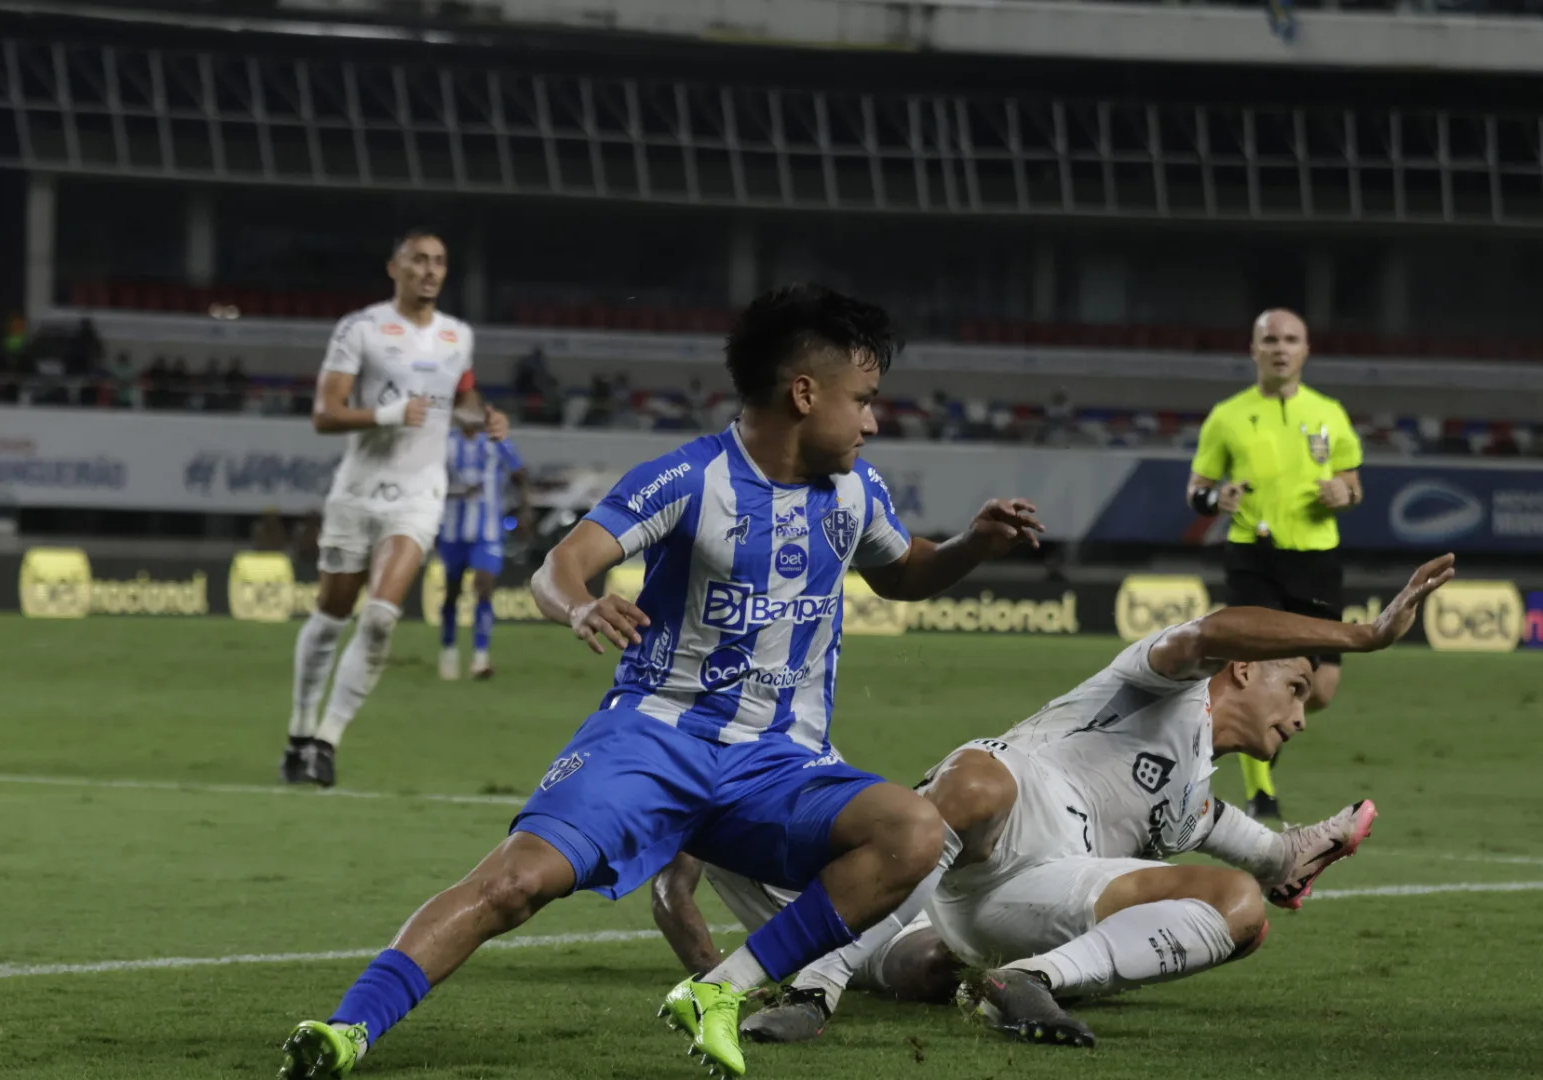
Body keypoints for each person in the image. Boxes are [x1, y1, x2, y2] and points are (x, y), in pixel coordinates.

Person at [277, 283, 1045, 1080]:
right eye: (864, 400)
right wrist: (578, 609)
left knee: (914, 833)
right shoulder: (689, 479)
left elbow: (905, 570)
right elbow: (560, 565)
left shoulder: (856, 491)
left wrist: (969, 546)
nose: (873, 422)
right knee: (516, 882)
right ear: (804, 392)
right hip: (654, 737)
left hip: (775, 762)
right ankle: (346, 1031)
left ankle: (722, 990)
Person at [664, 555, 1453, 1048]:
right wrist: (1362, 637)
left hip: (1030, 901)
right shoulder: (1161, 682)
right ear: (1242, 671)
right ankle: (814, 985)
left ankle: (1027, 981)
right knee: (974, 782)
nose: (1298, 717)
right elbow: (1215, 627)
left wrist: (1295, 854)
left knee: (1240, 908)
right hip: (986, 828)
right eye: (1295, 688)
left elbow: (1257, 853)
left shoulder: (1190, 797)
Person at [276, 228, 506, 789]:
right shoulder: (362, 329)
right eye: (419, 260)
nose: (429, 270)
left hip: (418, 493)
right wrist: (386, 415)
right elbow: (324, 415)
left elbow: (462, 398)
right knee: (331, 616)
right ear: (395, 268)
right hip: (357, 489)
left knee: (380, 617)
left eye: (438, 262)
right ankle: (299, 731)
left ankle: (327, 741)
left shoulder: (457, 336)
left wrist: (484, 418)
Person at [1186, 308, 1363, 821]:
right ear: (1254, 349)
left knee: (1320, 688)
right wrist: (1215, 499)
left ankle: (1256, 751)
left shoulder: (1330, 412)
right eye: (1270, 340)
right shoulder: (1228, 416)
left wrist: (1342, 492)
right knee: (1259, 672)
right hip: (1252, 555)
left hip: (1317, 558)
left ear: (1306, 350)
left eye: (1290, 339)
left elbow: (1354, 485)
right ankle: (1260, 790)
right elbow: (1197, 489)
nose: (1280, 348)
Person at [437, 394, 531, 681]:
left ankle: (480, 657)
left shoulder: (496, 440)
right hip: (452, 529)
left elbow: (519, 473)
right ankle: (449, 651)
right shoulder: (444, 444)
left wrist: (525, 510)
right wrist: (456, 493)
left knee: (484, 585)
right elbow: (429, 483)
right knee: (452, 591)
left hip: (487, 530)